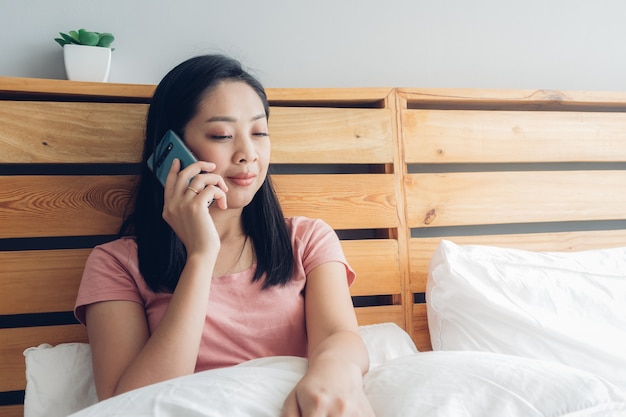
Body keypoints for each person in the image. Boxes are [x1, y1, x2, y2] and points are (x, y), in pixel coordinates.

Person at [74, 54, 375, 416]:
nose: (248, 154)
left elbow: (339, 338)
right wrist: (201, 255)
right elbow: (127, 404)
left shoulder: (307, 240)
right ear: (172, 151)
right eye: (222, 135)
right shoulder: (115, 263)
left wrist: (334, 372)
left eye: (259, 132)